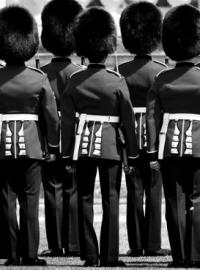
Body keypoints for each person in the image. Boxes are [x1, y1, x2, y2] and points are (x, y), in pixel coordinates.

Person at [146, 4, 200, 268]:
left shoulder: (161, 79)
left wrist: (152, 149)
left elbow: (151, 118)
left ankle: (179, 256)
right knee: (197, 202)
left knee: (174, 201)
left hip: (169, 147)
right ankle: (195, 256)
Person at [61, 7, 139, 267]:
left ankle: (90, 255)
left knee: (84, 198)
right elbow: (127, 119)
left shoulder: (75, 80)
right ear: (107, 47)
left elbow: (69, 122)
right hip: (110, 146)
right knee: (111, 198)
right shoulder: (116, 80)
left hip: (82, 145)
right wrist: (133, 151)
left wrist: (67, 153)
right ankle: (110, 255)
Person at [0, 5, 60, 266]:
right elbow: (51, 116)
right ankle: (30, 255)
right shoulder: (38, 78)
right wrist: (53, 145)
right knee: (30, 202)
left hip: (2, 146)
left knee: (6, 201)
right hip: (33, 145)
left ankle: (12, 254)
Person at [118, 1, 168, 257]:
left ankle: (136, 244)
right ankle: (152, 244)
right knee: (155, 191)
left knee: (134, 192)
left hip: (129, 137)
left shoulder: (120, 71)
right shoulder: (161, 71)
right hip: (154, 135)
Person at [39, 0, 83, 257]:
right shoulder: (80, 72)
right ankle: (74, 243)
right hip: (75, 138)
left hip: (47, 139)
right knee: (74, 189)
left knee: (52, 190)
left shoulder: (41, 73)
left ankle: (56, 245)